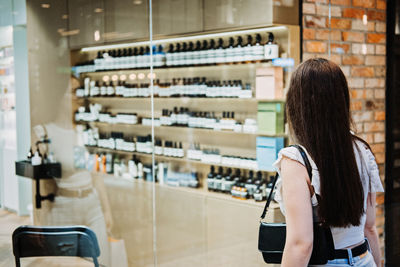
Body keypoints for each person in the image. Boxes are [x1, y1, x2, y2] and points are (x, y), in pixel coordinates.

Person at [273, 58, 384, 267]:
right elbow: (369, 227)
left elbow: (301, 245)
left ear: (298, 104)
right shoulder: (362, 150)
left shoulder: (295, 159)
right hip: (364, 259)